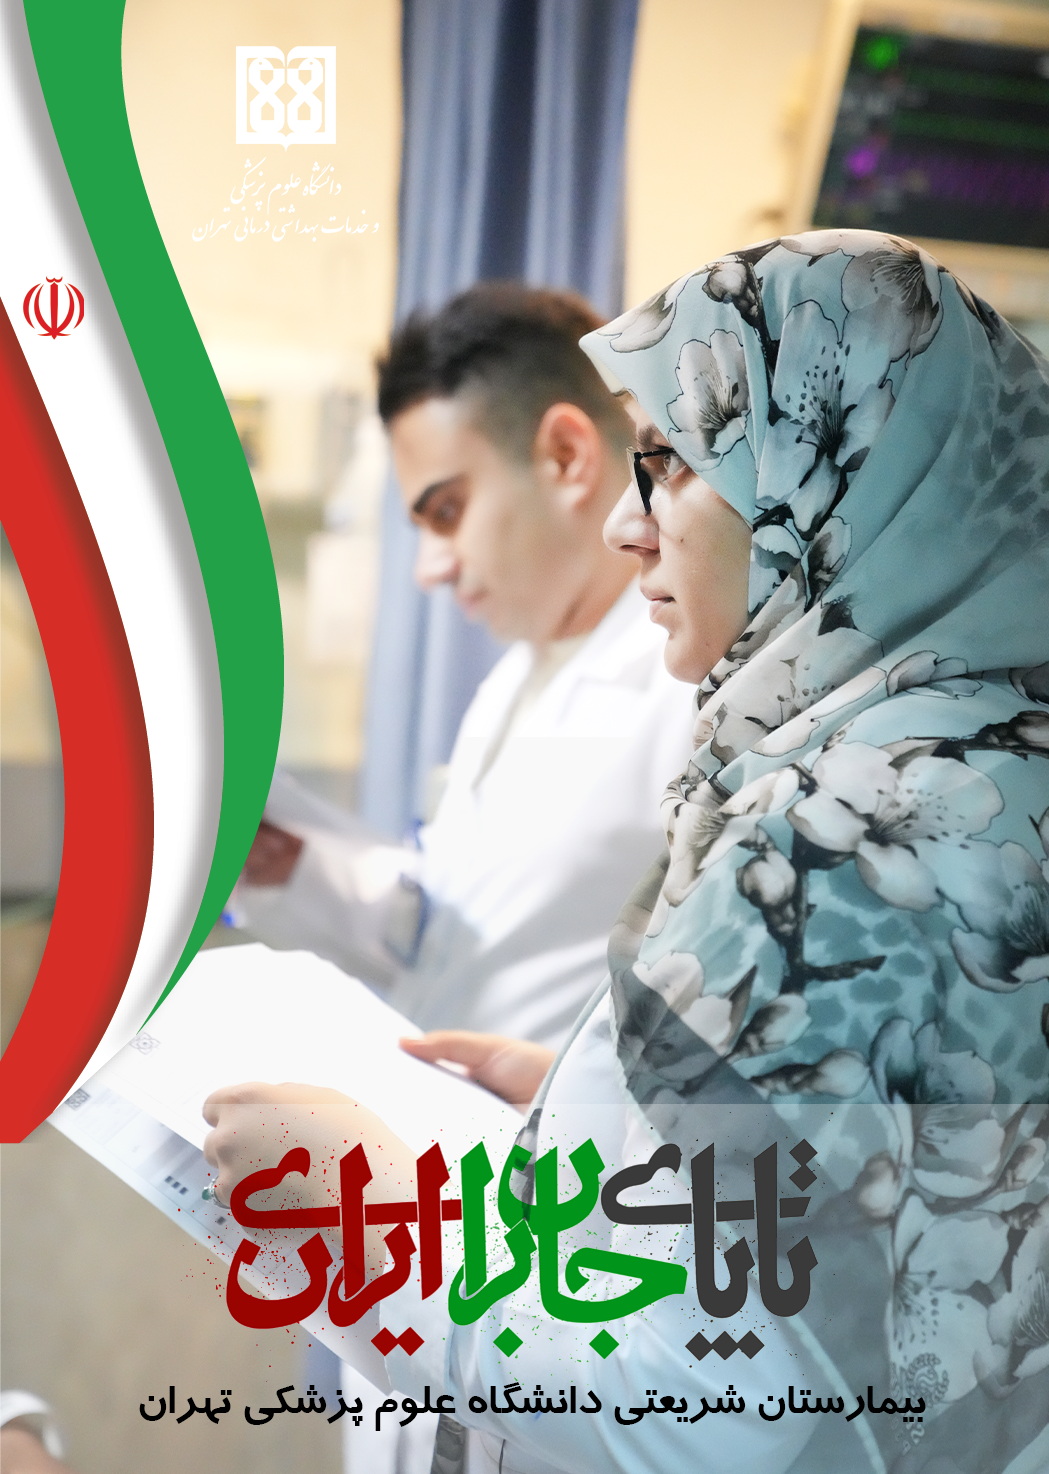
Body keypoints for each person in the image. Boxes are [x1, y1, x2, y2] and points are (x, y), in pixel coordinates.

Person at [205, 230, 1049, 1474]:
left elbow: (703, 1407)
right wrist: (587, 1105)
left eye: (667, 464)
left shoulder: (836, 835)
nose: (623, 524)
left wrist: (365, 1204)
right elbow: (876, 1189)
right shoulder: (987, 767)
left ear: (832, 478)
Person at [235, 283, 697, 1049]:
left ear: (566, 457)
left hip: (569, 1126)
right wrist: (287, 865)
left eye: (446, 513)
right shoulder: (514, 682)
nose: (430, 569)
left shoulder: (694, 687)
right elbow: (454, 933)